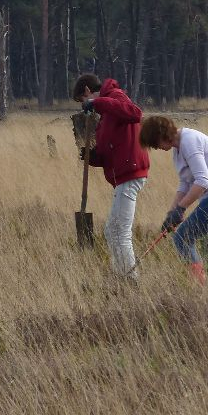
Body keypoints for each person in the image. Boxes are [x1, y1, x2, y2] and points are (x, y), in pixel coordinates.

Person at [138, 116, 208, 285]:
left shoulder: (189, 142)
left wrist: (180, 209)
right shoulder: (178, 149)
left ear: (162, 135)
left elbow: (203, 182)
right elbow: (185, 183)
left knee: (182, 238)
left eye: (155, 143)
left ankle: (199, 287)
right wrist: (171, 213)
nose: (157, 148)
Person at [72, 73, 150, 282]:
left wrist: (97, 102)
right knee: (111, 231)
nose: (85, 105)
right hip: (122, 176)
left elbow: (135, 113)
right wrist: (95, 158)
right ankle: (120, 276)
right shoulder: (105, 115)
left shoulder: (115, 96)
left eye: (83, 100)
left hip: (131, 174)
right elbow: (112, 148)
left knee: (119, 231)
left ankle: (131, 280)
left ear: (87, 91)